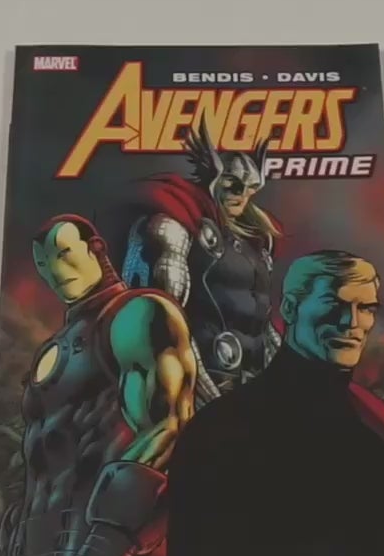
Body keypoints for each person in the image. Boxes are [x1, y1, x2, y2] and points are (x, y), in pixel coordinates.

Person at [162, 250, 384, 556]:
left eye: (366, 308)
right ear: (290, 308)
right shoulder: (222, 429)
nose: (351, 323)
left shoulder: (375, 430)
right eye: (334, 304)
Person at [0, 215, 197, 556]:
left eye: (63, 253)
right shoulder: (55, 348)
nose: (56, 271)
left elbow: (168, 428)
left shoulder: (137, 314)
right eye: (44, 264)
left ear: (96, 249)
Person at [115, 123, 283, 404]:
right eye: (232, 184)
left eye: (251, 187)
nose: (242, 194)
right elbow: (167, 326)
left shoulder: (256, 241)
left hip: (251, 389)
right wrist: (208, 398)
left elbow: (262, 326)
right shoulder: (174, 225)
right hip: (196, 388)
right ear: (213, 177)